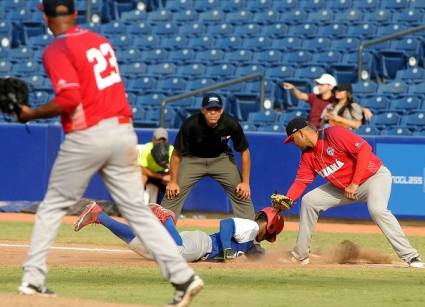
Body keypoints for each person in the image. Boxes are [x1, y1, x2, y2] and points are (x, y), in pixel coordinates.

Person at [16, 1, 203, 306]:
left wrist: (31, 113)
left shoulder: (56, 49)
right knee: (137, 210)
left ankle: (33, 280)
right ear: (75, 14)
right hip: (123, 132)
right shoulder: (99, 42)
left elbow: (70, 97)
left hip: (88, 133)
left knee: (52, 207)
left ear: (46, 18)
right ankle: (183, 276)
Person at [280, 117, 424, 268]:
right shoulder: (307, 156)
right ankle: (300, 255)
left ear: (301, 134)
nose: (293, 143)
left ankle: (411, 257)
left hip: (374, 177)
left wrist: (355, 183)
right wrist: (287, 200)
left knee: (378, 210)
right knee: (309, 201)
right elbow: (301, 182)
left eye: (293, 139)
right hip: (344, 188)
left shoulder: (334, 134)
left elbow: (365, 150)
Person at [73, 202, 283, 262]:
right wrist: (227, 248)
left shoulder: (252, 241)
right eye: (271, 234)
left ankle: (99, 215)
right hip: (201, 245)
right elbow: (226, 224)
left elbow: (259, 254)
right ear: (270, 227)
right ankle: (166, 220)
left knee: (145, 248)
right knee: (176, 254)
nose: (269, 238)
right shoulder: (253, 227)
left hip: (195, 244)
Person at [162, 93, 255, 220]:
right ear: (202, 110)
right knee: (173, 192)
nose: (213, 113)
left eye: (216, 109)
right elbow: (176, 154)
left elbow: (244, 151)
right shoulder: (191, 124)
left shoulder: (230, 123)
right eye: (209, 109)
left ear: (221, 110)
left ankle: (250, 234)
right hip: (192, 159)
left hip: (221, 159)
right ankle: (162, 233)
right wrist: (172, 182)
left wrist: (245, 182)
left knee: (241, 192)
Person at [282, 74, 373, 128]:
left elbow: (349, 105)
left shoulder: (335, 99)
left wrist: (364, 109)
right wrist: (293, 88)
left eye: (322, 84)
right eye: (318, 84)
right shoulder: (317, 98)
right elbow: (301, 96)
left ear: (330, 86)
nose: (319, 86)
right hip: (315, 129)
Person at [137, 127, 173, 203]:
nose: (161, 142)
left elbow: (175, 170)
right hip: (151, 174)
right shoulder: (146, 148)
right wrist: (159, 176)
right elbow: (142, 169)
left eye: (163, 140)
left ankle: (167, 208)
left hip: (164, 174)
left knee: (173, 181)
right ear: (153, 139)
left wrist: (166, 166)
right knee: (141, 177)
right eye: (158, 139)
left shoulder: (171, 150)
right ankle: (138, 205)